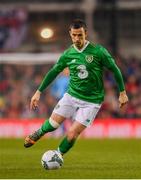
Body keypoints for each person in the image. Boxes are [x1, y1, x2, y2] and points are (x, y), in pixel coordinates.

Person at [24, 19, 128, 156]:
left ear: (86, 33)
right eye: (74, 35)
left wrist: (122, 92)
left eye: (80, 35)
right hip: (72, 96)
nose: (77, 38)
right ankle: (39, 132)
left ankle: (58, 155)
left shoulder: (98, 52)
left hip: (92, 101)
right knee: (53, 124)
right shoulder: (68, 54)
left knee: (72, 133)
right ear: (70, 34)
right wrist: (38, 92)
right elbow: (53, 72)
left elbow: (115, 70)